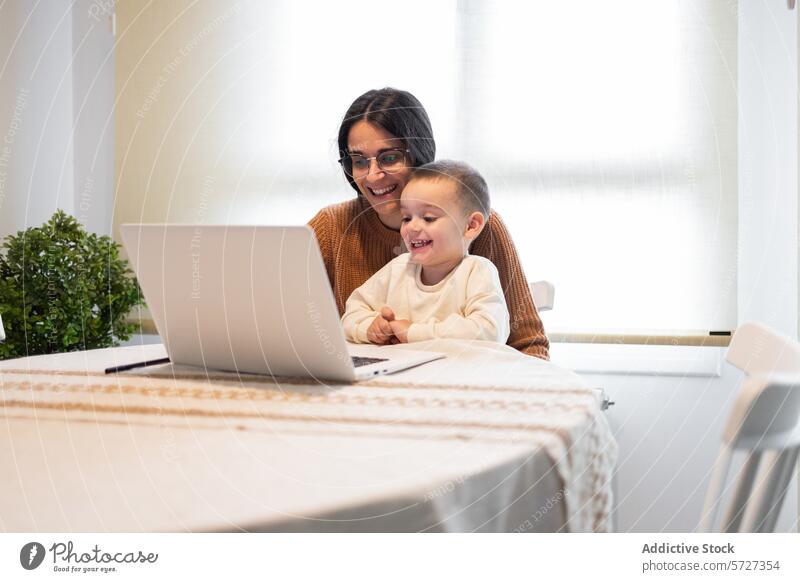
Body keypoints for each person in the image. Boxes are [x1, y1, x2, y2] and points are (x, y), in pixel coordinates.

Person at [308, 87, 549, 359]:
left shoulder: (481, 228)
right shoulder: (330, 228)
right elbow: (290, 328)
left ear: (419, 154)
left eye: (389, 158)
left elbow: (529, 345)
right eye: (359, 161)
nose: (373, 176)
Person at [342, 160, 509, 345]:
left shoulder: (477, 272)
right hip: (400, 372)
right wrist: (370, 328)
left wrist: (413, 332)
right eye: (406, 218)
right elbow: (352, 312)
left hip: (457, 373)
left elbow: (490, 331)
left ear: (471, 225)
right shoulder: (398, 268)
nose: (412, 227)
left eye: (428, 218)